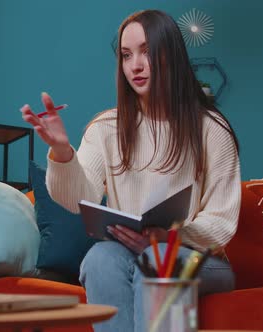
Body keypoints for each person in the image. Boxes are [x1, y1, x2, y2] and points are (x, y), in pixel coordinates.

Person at [20, 9, 240, 332]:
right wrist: (64, 154)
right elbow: (78, 197)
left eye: (147, 52)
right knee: (98, 260)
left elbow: (222, 220)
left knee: (158, 259)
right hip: (128, 252)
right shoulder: (106, 128)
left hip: (198, 261)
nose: (134, 65)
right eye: (126, 55)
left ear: (171, 56)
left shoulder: (211, 128)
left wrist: (168, 237)